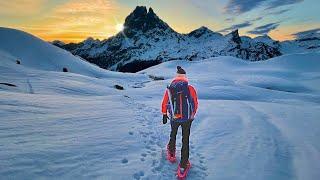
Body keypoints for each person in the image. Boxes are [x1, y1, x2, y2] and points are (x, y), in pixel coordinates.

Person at [161, 66, 198, 172]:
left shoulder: (170, 88)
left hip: (174, 117)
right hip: (187, 118)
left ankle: (171, 152)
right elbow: (195, 103)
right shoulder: (190, 88)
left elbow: (165, 102)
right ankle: (183, 163)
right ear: (185, 77)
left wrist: (164, 114)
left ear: (176, 76)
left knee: (173, 133)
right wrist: (192, 114)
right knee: (185, 139)